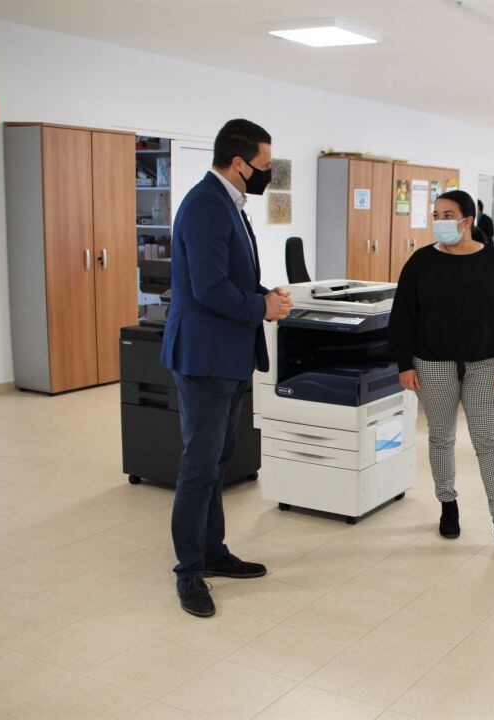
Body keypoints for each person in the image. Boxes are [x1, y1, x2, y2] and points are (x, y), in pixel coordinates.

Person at [160, 119, 292, 617]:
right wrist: (261, 308)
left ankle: (213, 552)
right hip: (205, 356)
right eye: (263, 167)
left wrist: (264, 297)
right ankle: (189, 571)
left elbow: (231, 278)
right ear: (238, 163)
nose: (266, 176)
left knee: (218, 459)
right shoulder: (205, 206)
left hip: (228, 353)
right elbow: (209, 288)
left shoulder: (229, 204)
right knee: (200, 465)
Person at [389, 190, 494, 548]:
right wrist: (404, 363)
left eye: (447, 214)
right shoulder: (421, 262)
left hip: (485, 363)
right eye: (436, 214)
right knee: (440, 436)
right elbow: (403, 316)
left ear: (467, 221)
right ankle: (448, 506)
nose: (440, 221)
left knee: (488, 439)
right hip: (433, 362)